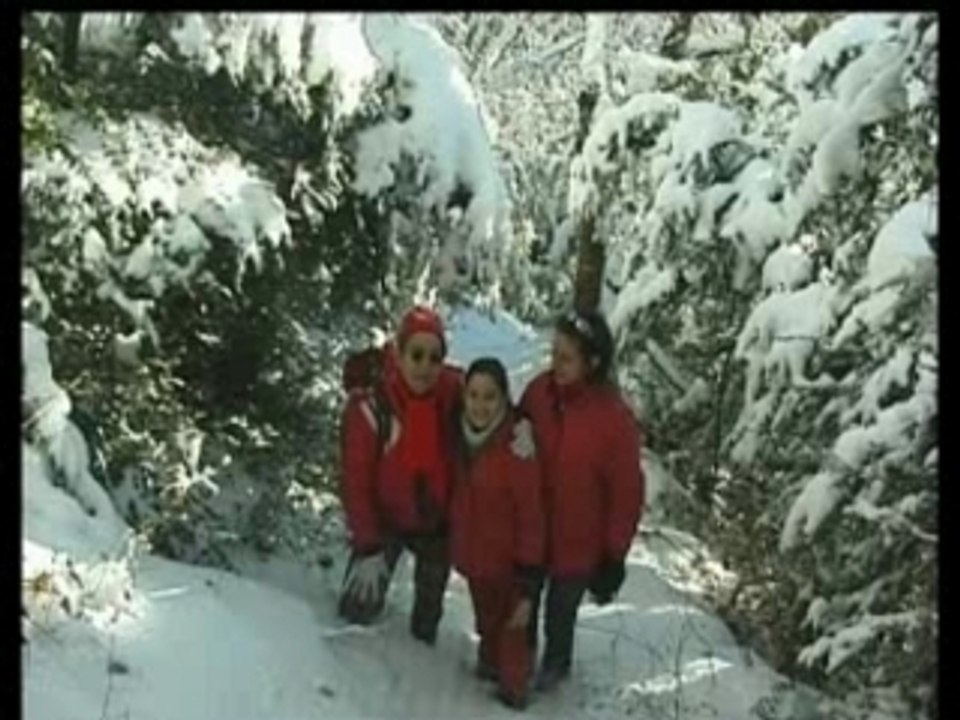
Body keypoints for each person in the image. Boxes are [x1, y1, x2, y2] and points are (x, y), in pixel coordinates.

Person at [519, 308, 645, 691]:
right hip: (532, 531)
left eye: (567, 357)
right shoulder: (538, 393)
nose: (556, 363)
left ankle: (555, 669)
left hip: (578, 544)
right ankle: (516, 663)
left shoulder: (614, 420)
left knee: (560, 613)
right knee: (522, 601)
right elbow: (511, 440)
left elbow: (626, 493)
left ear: (592, 363)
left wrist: (613, 554)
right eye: (554, 353)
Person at [338, 305, 463, 645]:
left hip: (436, 525)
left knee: (425, 626)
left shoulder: (454, 393)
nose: (425, 366)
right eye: (417, 354)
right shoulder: (372, 406)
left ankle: (417, 658)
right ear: (399, 353)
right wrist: (367, 545)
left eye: (435, 357)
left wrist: (520, 429)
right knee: (357, 609)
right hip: (384, 522)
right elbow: (356, 482)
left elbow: (492, 406)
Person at [450, 358, 545, 710]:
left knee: (514, 631)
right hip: (476, 559)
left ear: (505, 398)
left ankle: (515, 691)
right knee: (487, 622)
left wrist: (529, 574)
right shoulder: (456, 433)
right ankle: (489, 663)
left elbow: (532, 515)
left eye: (490, 397)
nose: (480, 405)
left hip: (511, 565)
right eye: (473, 395)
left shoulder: (518, 447)